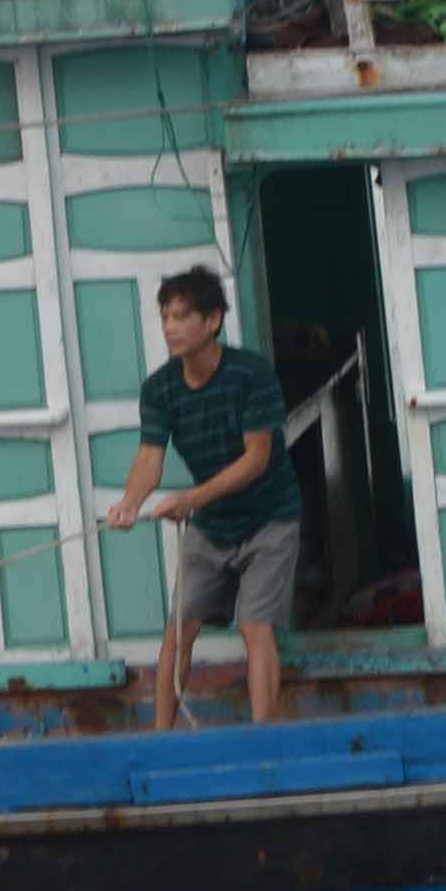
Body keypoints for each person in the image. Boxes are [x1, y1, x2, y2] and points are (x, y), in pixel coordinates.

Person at [104, 263, 304, 731]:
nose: (170, 328)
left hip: (270, 519)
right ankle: (160, 739)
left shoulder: (251, 375)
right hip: (211, 527)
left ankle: (263, 739)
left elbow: (257, 460)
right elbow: (150, 458)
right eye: (165, 318)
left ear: (212, 321)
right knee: (180, 629)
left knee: (256, 627)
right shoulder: (160, 389)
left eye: (181, 316)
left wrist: (190, 498)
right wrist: (130, 502)